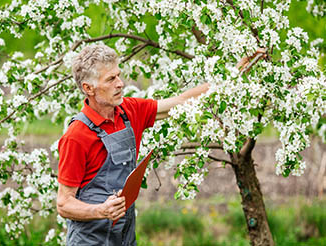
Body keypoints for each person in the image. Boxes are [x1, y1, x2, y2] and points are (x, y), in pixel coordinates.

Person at [56, 44, 264, 246]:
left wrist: (234, 74)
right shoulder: (76, 136)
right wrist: (101, 211)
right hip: (90, 240)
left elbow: (182, 101)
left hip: (125, 234)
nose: (120, 83)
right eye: (111, 79)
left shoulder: (129, 111)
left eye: (118, 75)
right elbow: (64, 204)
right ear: (88, 88)